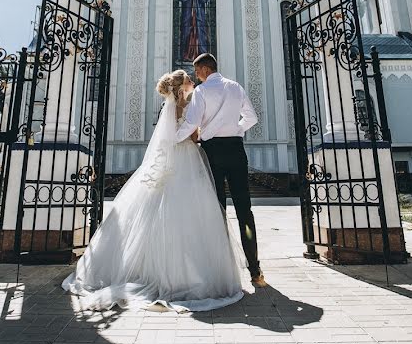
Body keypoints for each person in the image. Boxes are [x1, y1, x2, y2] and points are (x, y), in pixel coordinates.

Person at [62, 70, 244, 312]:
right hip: (188, 161)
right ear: (182, 88)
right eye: (189, 80)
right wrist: (205, 136)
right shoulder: (190, 107)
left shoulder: (169, 108)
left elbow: (167, 136)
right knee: (191, 212)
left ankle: (149, 269)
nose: (193, 82)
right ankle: (185, 274)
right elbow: (191, 136)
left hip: (169, 161)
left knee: (159, 209)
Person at [176, 53, 267, 288]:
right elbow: (252, 117)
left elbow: (191, 123)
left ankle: (221, 270)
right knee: (244, 210)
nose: (196, 77)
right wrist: (236, 129)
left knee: (217, 210)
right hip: (236, 151)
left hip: (212, 152)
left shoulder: (202, 92)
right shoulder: (236, 87)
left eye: (196, 72)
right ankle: (255, 269)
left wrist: (172, 139)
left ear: (204, 70)